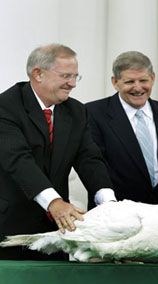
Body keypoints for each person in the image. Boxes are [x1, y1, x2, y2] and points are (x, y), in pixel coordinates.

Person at [0, 43, 117, 260]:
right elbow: (18, 160)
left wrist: (108, 203)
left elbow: (89, 159)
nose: (72, 84)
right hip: (10, 228)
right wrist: (54, 203)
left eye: (75, 76)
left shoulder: (76, 111)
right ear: (38, 74)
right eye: (65, 76)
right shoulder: (5, 106)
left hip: (57, 231)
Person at [85, 51, 158, 207]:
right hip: (116, 215)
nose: (138, 87)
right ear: (115, 82)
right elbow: (94, 165)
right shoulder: (92, 114)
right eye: (129, 82)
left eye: (143, 80)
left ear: (153, 78)